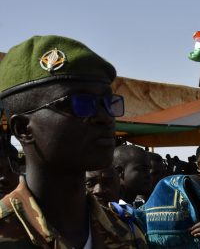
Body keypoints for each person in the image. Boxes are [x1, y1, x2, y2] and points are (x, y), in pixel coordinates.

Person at [0, 35, 147, 247]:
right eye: (81, 103)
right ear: (23, 129)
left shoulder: (127, 234)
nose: (105, 117)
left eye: (107, 102)